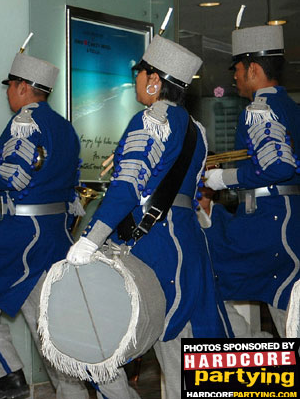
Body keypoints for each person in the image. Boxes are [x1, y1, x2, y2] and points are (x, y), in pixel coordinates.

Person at [0, 51, 132, 399]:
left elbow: (15, 175)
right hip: (53, 234)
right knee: (54, 329)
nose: (8, 93)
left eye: (11, 86)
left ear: (24, 87)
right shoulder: (64, 127)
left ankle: (6, 376)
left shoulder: (25, 120)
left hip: (19, 235)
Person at [67, 35, 230, 398]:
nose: (138, 80)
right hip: (186, 242)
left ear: (154, 80)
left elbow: (127, 187)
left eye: (141, 73)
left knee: (111, 341)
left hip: (153, 244)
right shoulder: (195, 129)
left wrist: (90, 239)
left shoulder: (150, 120)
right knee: (191, 358)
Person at [204, 24, 300, 337]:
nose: (235, 77)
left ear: (254, 69)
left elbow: (278, 167)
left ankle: (253, 348)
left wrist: (222, 178)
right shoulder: (292, 108)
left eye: (239, 69)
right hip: (286, 220)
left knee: (204, 274)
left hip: (268, 222)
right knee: (290, 317)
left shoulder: (259, 109)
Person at [196, 183, 271, 339]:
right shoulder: (187, 215)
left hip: (237, 284)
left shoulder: (223, 214)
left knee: (247, 340)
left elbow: (248, 230)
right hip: (207, 289)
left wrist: (249, 192)